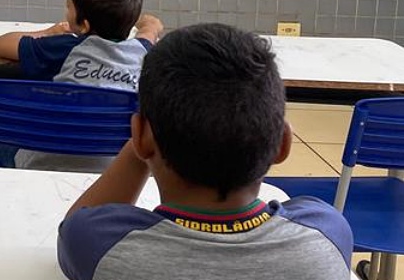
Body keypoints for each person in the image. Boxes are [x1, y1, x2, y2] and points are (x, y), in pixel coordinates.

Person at [58, 23, 354, 280]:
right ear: (283, 144)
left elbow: (75, 225)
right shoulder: (326, 235)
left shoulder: (100, 246)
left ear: (141, 137)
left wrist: (139, 147)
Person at [0, 0, 163, 169]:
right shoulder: (141, 52)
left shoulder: (64, 48)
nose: (66, 11)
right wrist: (149, 25)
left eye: (68, 6)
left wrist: (49, 32)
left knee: (5, 143)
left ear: (84, 25)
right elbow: (149, 34)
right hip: (115, 167)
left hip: (44, 163)